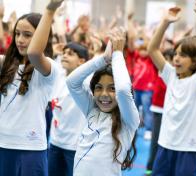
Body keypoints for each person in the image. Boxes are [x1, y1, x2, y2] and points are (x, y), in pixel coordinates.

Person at [147, 0, 196, 175]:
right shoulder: (171, 75)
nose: (177, 58)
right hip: (165, 145)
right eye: (176, 54)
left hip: (188, 148)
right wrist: (165, 22)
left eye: (183, 55)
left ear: (195, 60)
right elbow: (153, 49)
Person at [0, 0, 63, 175]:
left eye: (27, 35)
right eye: (17, 34)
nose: (20, 40)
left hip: (30, 148)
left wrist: (50, 10)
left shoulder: (48, 67)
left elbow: (34, 52)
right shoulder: (6, 64)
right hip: (3, 144)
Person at [66, 28, 140, 176]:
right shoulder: (91, 109)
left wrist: (118, 54)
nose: (104, 94)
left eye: (112, 88)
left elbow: (124, 90)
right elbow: (72, 82)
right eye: (99, 88)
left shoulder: (129, 119)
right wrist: (103, 59)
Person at [48, 42, 89, 176]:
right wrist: (53, 52)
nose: (64, 56)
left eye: (70, 54)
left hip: (74, 147)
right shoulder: (58, 76)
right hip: (55, 143)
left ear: (81, 61)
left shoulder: (85, 83)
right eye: (64, 53)